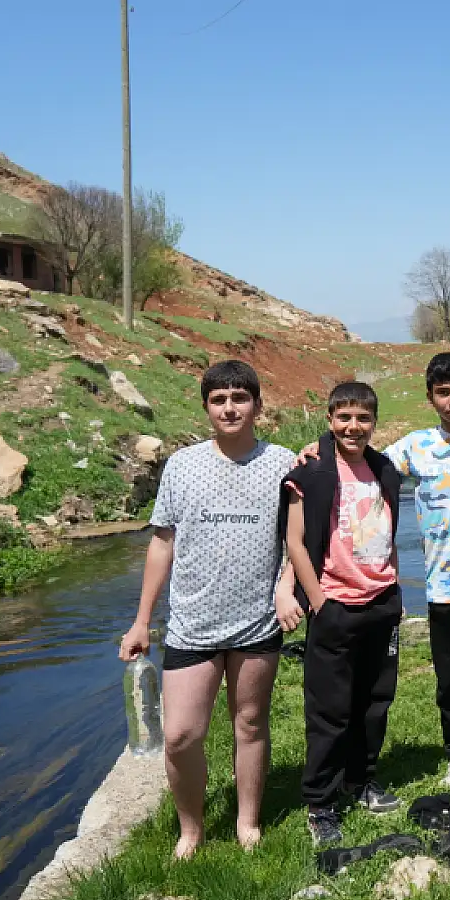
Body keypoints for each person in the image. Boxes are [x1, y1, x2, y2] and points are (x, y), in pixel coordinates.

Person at [299, 352, 450, 789]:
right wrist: (321, 446)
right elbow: (358, 459)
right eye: (443, 392)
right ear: (430, 398)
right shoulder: (413, 448)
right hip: (444, 585)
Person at [119, 360, 301, 857]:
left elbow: (299, 540)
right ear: (206, 409)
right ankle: (191, 829)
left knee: (250, 723)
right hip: (191, 624)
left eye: (239, 398)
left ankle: (247, 822)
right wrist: (141, 622)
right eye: (218, 400)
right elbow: (162, 543)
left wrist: (287, 586)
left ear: (257, 406)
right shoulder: (182, 465)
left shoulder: (283, 463)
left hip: (257, 621)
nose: (229, 408)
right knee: (180, 735)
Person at [283, 381, 405, 848]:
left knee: (375, 703)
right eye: (344, 418)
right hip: (334, 605)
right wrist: (317, 600)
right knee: (330, 711)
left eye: (363, 418)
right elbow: (295, 540)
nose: (354, 427)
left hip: (382, 603)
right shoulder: (311, 472)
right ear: (330, 419)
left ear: (374, 422)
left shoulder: (384, 469)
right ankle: (321, 802)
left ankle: (362, 779)